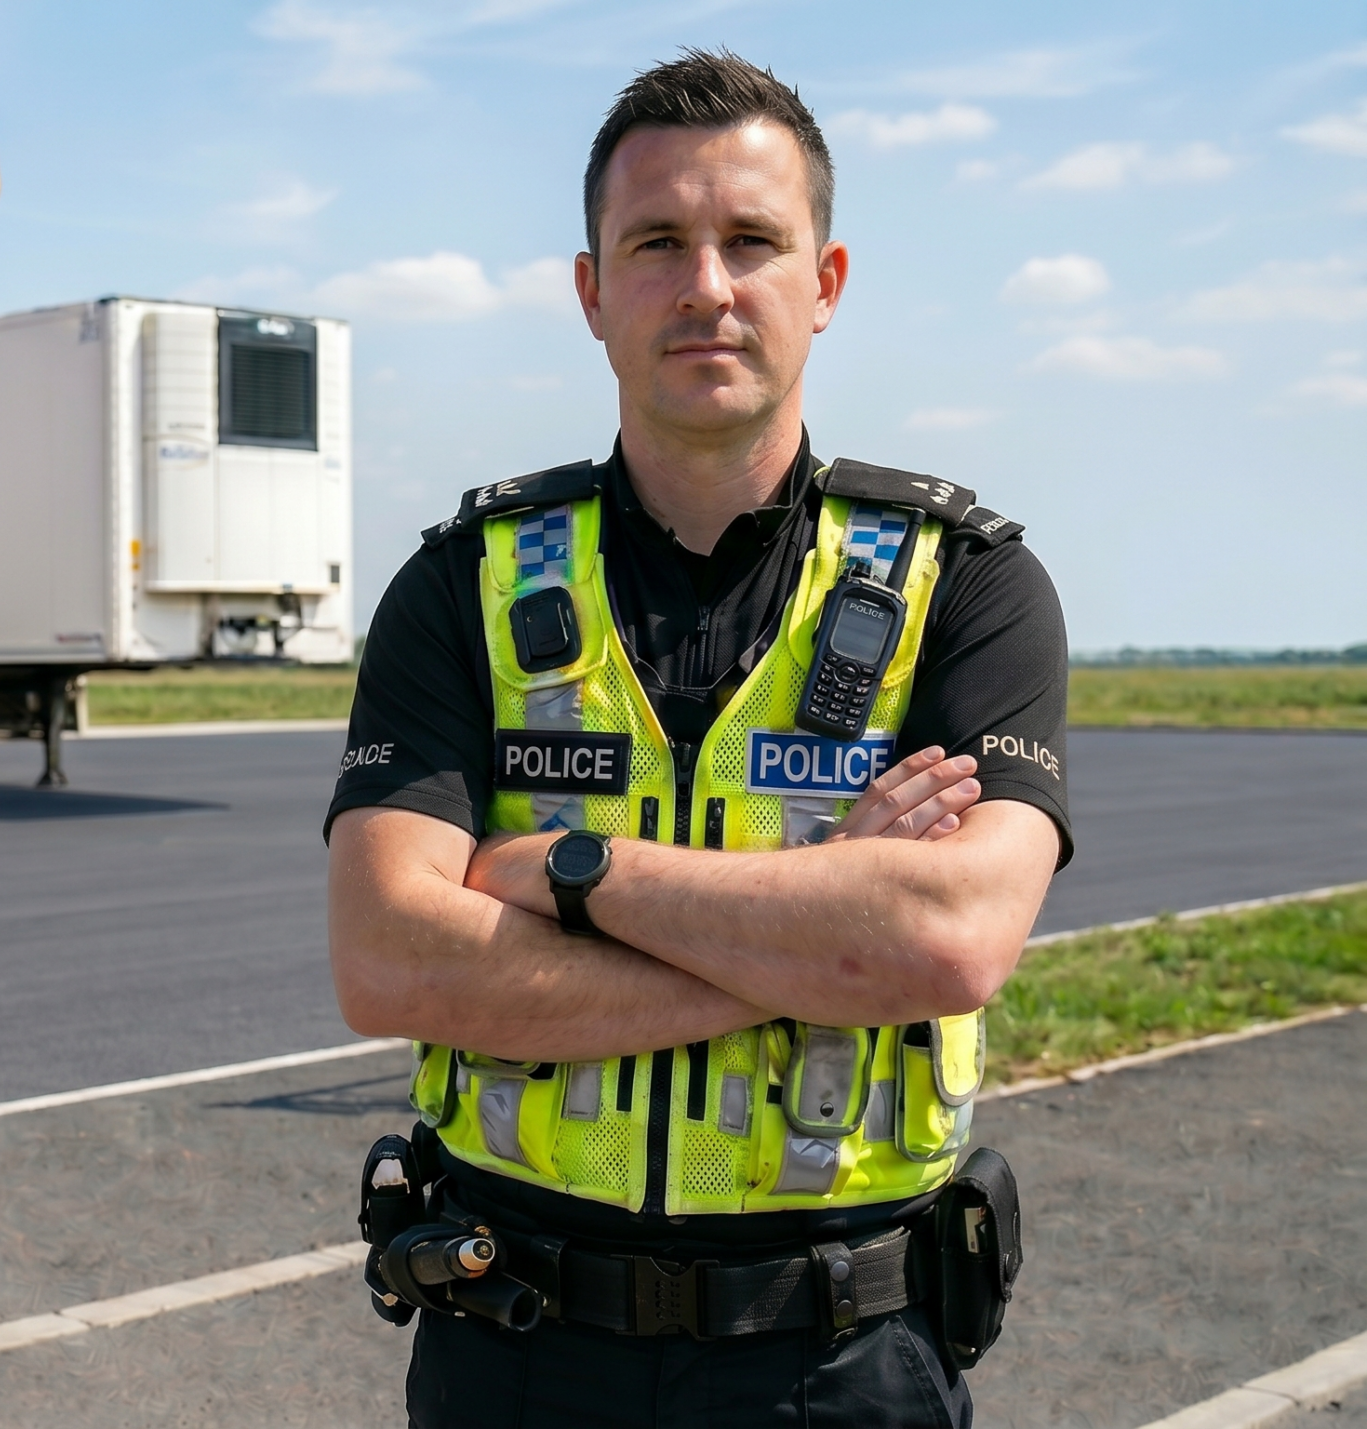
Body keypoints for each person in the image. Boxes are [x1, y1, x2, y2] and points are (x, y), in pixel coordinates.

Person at [326, 50, 1069, 1427]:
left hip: (844, 1357)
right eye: (658, 242)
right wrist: (825, 938)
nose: (707, 286)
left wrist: (574, 872)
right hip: (520, 1344)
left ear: (825, 284)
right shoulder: (466, 587)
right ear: (592, 291)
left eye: (752, 242)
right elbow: (387, 960)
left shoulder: (962, 586)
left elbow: (947, 943)